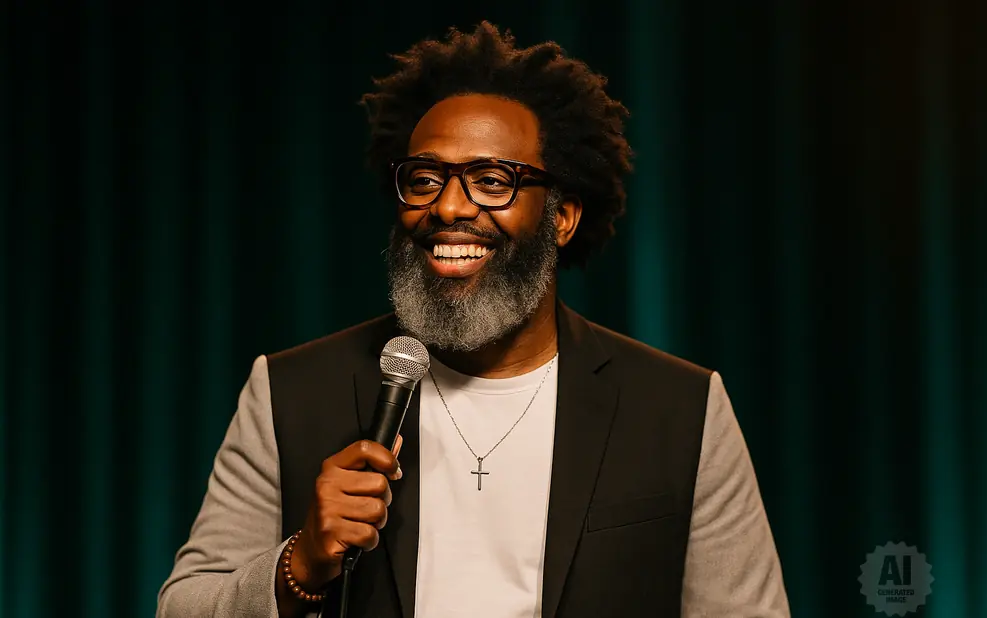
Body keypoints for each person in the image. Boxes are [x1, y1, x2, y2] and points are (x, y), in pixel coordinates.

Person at [157, 21, 789, 618]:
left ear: (562, 216)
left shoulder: (682, 407)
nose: (449, 206)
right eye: (425, 178)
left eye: (492, 180)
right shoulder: (290, 391)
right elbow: (183, 605)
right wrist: (300, 562)